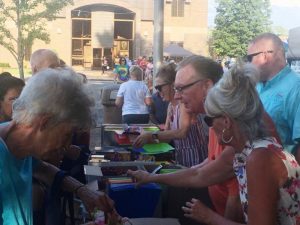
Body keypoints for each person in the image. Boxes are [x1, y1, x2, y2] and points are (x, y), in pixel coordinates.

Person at [128, 55, 280, 222]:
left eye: (181, 89)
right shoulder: (222, 119)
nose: (177, 96)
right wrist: (152, 178)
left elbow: (231, 193)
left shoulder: (254, 150)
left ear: (207, 85)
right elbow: (202, 169)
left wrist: (209, 217)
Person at [181, 63, 300, 225]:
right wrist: (151, 177)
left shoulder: (259, 158)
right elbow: (198, 175)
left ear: (226, 121)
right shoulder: (248, 150)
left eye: (209, 120)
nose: (209, 126)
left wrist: (209, 217)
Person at [0, 68, 120, 225]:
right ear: (45, 122)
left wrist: (83, 191)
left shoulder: (21, 145)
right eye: (67, 135)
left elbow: (43, 168)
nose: (67, 145)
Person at [133, 63, 209, 167]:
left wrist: (151, 136)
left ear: (172, 85)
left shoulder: (183, 104)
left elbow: (182, 132)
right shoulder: (170, 107)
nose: (158, 92)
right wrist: (145, 140)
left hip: (196, 160)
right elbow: (167, 136)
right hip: (181, 159)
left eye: (160, 87)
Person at [247, 33, 300, 162]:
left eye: (249, 58)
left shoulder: (296, 88)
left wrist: (291, 180)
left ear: (265, 56)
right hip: (253, 169)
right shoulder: (256, 85)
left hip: (280, 175)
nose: (248, 63)